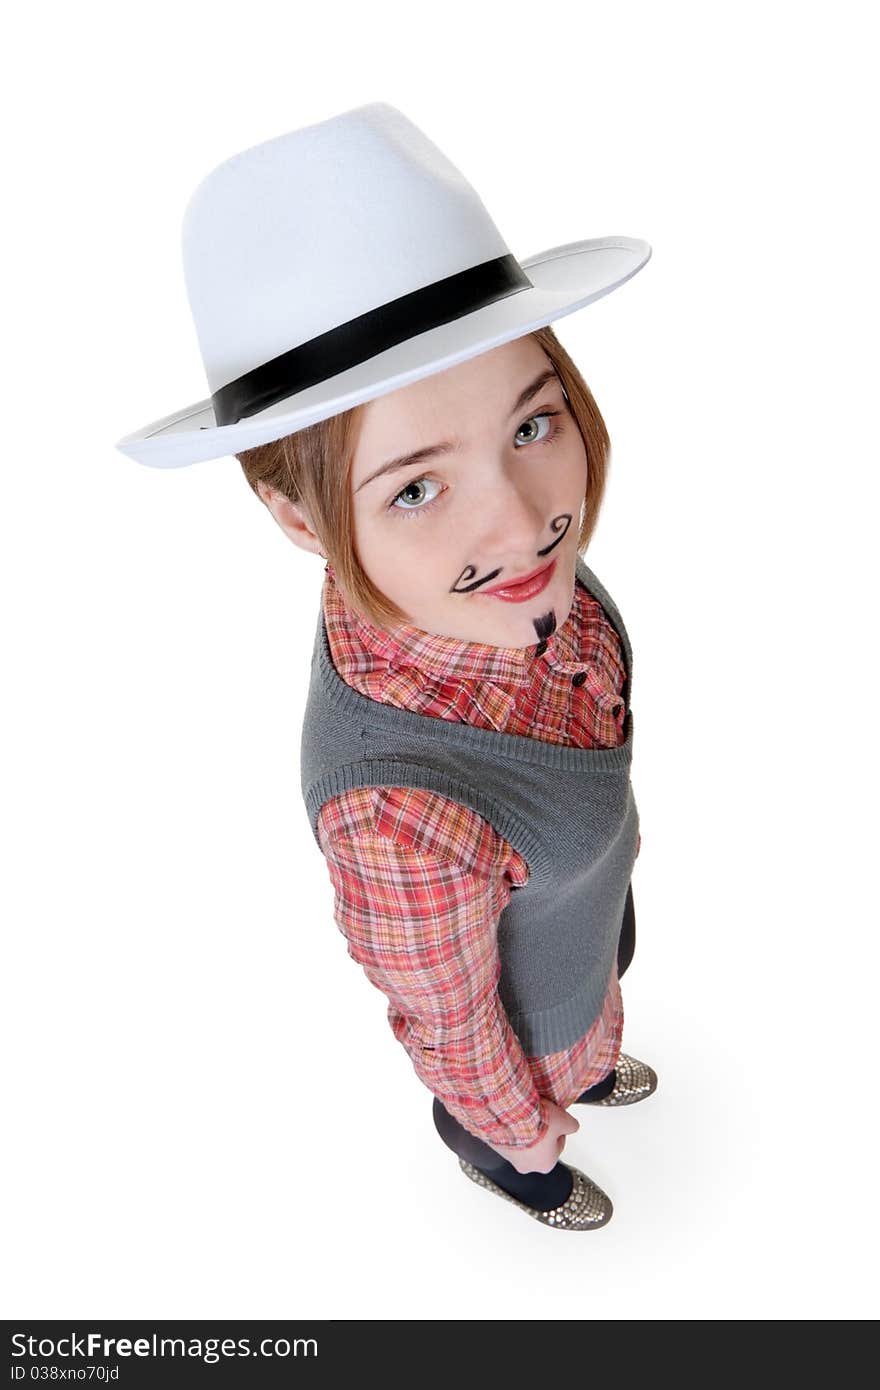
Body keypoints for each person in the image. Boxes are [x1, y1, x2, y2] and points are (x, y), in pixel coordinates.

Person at [115, 101, 657, 1232]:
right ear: (299, 517)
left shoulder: (526, 588)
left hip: (586, 930)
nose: (520, 526)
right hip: (519, 1039)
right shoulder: (394, 813)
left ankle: (594, 1053)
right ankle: (514, 1171)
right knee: (521, 1120)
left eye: (530, 425)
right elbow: (451, 1020)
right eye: (415, 485)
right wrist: (512, 1120)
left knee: (590, 1012)